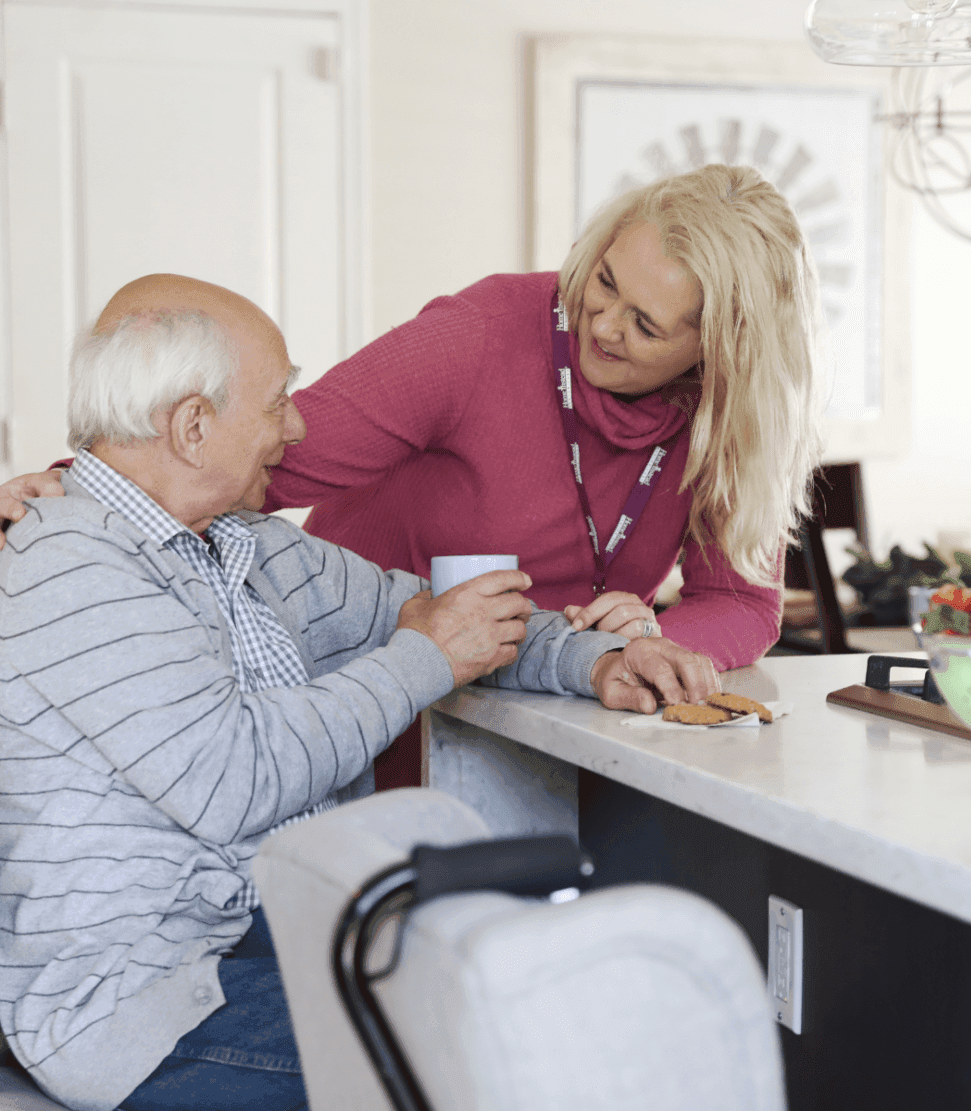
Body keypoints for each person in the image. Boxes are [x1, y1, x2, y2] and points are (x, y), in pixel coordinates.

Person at [0, 275, 695, 1111]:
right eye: (278, 400)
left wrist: (593, 661)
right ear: (192, 425)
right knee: (507, 1046)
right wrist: (425, 655)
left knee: (545, 990)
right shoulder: (71, 566)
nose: (294, 428)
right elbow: (236, 775)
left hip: (257, 936)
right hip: (138, 1004)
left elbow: (430, 613)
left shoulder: (248, 545)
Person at [0, 163, 823, 790]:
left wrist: (643, 647)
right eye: (604, 279)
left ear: (717, 352)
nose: (599, 323)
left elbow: (743, 602)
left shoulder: (732, 417)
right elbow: (263, 453)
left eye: (645, 324)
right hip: (367, 701)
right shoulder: (476, 339)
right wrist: (83, 482)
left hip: (555, 694)